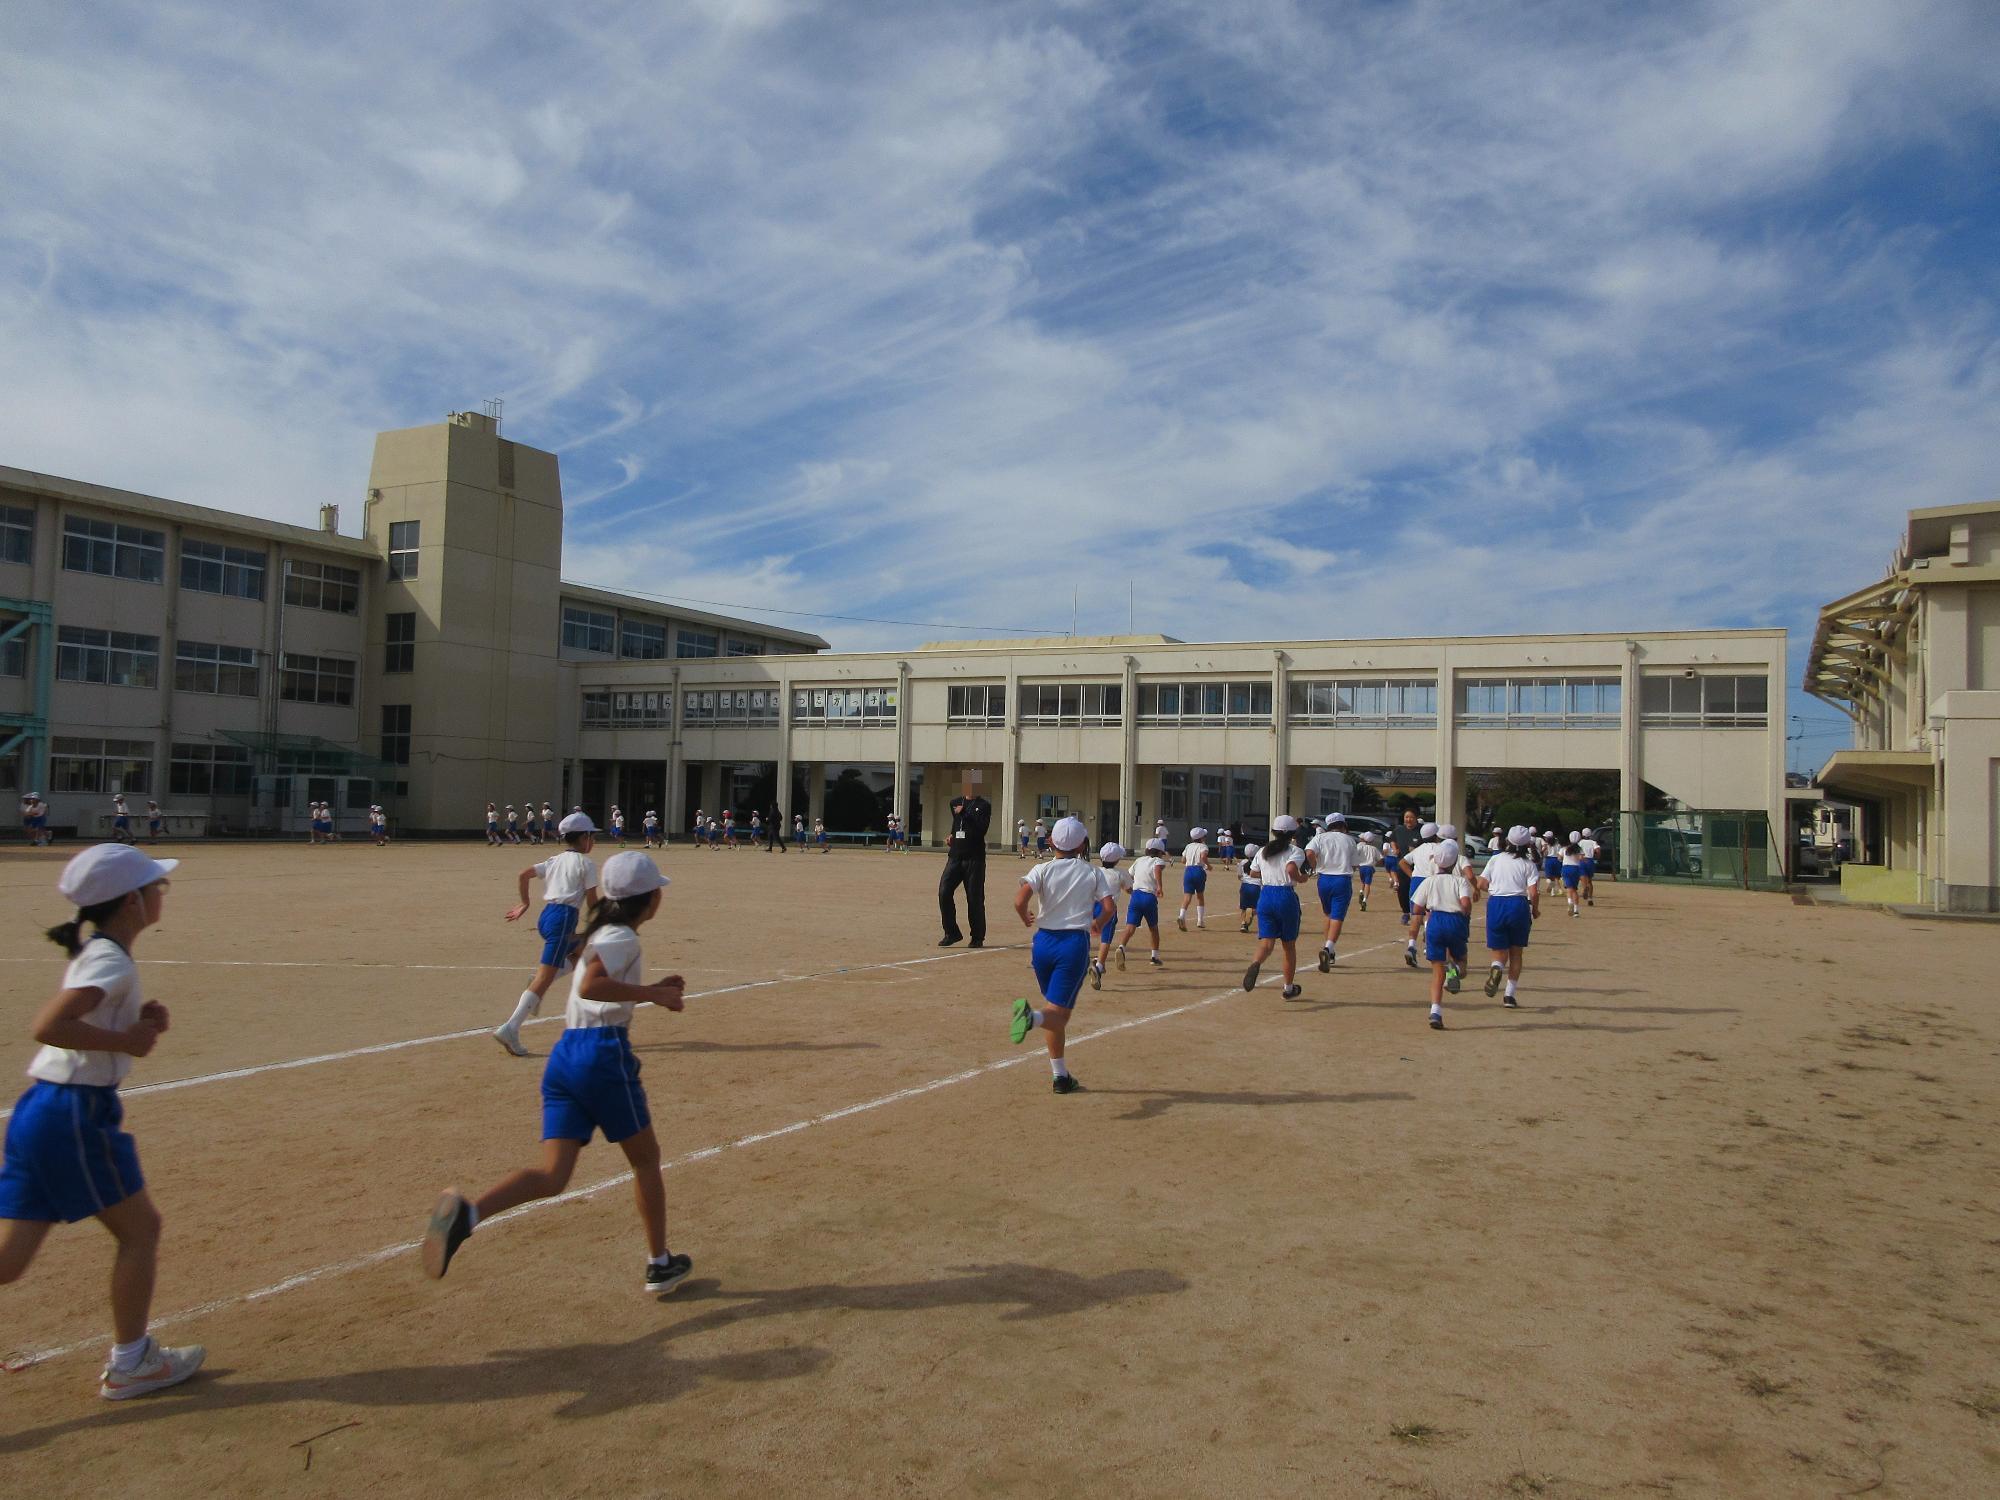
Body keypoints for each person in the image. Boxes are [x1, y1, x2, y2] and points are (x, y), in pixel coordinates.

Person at [425, 850, 691, 1293]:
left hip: (565, 1056)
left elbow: (598, 979)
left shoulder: (602, 932)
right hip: (602, 1055)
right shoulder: (623, 937)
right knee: (646, 1160)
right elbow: (591, 986)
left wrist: (651, 989)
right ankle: (660, 1264)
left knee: (553, 1175)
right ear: (650, 899)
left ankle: (468, 1215)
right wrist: (653, 995)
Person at [0, 843, 205, 1399]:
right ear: (132, 902)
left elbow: (82, 1018)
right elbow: (48, 1025)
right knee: (141, 1231)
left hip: (43, 1110)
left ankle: (133, 1360)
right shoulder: (109, 959)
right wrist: (127, 1040)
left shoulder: (101, 953)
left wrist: (134, 1020)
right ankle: (131, 1362)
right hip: (74, 1115)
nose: (162, 894)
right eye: (156, 886)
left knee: (9, 1262)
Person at [1008, 817, 1111, 1095]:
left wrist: (1025, 916)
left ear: (1051, 842)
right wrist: (1099, 924)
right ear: (1082, 845)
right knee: (1056, 1016)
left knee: (1053, 1010)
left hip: (1042, 943)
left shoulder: (1041, 868)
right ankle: (1030, 1018)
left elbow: (1019, 900)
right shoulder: (1092, 872)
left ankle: (1060, 1076)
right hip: (1072, 945)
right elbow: (1108, 907)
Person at [492, 812, 600, 1057]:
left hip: (547, 917)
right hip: (563, 920)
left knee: (585, 951)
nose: (593, 841)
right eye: (592, 837)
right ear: (584, 837)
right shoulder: (586, 864)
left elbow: (524, 874)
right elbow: (593, 903)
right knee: (545, 976)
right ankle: (511, 1028)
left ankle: (541, 980)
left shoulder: (555, 860)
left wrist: (525, 903)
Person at [1243, 815, 1309, 998]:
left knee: (1266, 943)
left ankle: (1256, 963)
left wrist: (1268, 873)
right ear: (1293, 833)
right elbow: (1291, 869)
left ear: (1273, 832)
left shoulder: (1263, 851)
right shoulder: (1295, 851)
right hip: (1285, 895)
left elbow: (1253, 872)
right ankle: (1288, 988)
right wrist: (1301, 878)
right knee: (1288, 946)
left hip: (1265, 896)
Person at [1412, 840, 1475, 1030]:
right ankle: (1455, 970)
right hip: (1455, 921)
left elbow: (1417, 908)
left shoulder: (1429, 881)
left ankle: (1436, 1012)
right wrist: (1465, 912)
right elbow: (1465, 904)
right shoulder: (1460, 881)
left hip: (1435, 922)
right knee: (1462, 961)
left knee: (1437, 971)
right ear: (1455, 863)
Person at [1478, 826, 1540, 1008]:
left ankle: (1497, 967)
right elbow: (1533, 893)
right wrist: (1535, 910)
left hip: (1497, 903)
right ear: (1527, 844)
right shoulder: (1528, 864)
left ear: (1507, 841)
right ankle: (1509, 995)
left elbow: (1481, 883)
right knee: (1516, 952)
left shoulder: (1496, 859)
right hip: (1518, 904)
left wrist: (1494, 889)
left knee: (1498, 950)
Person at [937, 787, 992, 946]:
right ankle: (951, 933)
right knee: (944, 892)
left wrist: (965, 813)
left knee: (974, 898)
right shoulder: (955, 803)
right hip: (955, 856)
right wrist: (952, 834)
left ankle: (977, 937)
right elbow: (957, 824)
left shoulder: (983, 805)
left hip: (974, 858)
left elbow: (981, 829)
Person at [1303, 812, 1358, 971]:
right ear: (1343, 825)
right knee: (1337, 916)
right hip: (1342, 879)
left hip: (1324, 879)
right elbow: (1355, 864)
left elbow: (1309, 852)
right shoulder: (1349, 840)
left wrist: (1315, 865)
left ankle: (1330, 949)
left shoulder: (1320, 838)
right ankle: (1328, 947)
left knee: (1328, 914)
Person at [1112, 837, 1168, 969]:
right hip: (1149, 897)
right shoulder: (1158, 861)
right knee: (1153, 928)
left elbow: (1130, 875)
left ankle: (1121, 947)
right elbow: (1157, 869)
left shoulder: (1139, 860)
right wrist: (1159, 886)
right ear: (1159, 852)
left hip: (1136, 896)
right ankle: (1154, 956)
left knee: (1130, 927)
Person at [1089, 842, 1132, 989]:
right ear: (1117, 859)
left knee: (1085, 932)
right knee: (1106, 939)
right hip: (1108, 907)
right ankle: (1099, 966)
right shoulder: (1120, 873)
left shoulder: (1095, 871)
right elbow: (1129, 889)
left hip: (1091, 905)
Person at [1401, 822, 1443, 969]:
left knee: (1416, 915)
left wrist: (1412, 875)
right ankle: (1428, 944)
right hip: (1433, 881)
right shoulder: (1440, 848)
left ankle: (1411, 946)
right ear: (1436, 835)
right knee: (1431, 914)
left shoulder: (1418, 850)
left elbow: (1403, 862)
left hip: (1417, 881)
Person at [1177, 826, 1209, 931]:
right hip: (1199, 870)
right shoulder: (1203, 846)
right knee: (1200, 896)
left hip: (1188, 871)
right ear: (1202, 838)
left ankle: (1182, 915)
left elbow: (1183, 860)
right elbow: (1203, 857)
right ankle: (1200, 920)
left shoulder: (1188, 846)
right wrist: (1209, 865)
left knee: (1187, 897)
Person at [1235, 840, 1263, 932]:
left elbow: (1239, 876)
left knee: (1243, 908)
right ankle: (1251, 912)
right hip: (1256, 887)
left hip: (1245, 886)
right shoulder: (1259, 863)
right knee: (1257, 907)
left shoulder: (1242, 862)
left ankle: (1244, 924)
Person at [1560, 832, 1585, 917]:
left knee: (1568, 888)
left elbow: (1559, 857)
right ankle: (1576, 910)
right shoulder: (1579, 849)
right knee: (1574, 889)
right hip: (1575, 869)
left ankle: (1570, 902)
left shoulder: (1565, 848)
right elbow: (1581, 858)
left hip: (1566, 868)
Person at [1355, 830, 1379, 911]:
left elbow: (1355, 855)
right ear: (1372, 840)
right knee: (1367, 884)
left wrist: (1357, 864)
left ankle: (1361, 891)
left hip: (1361, 867)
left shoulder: (1360, 847)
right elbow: (1381, 859)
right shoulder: (1374, 849)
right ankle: (1364, 900)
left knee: (1363, 881)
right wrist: (1375, 863)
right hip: (1369, 867)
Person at [1578, 826, 1601, 906]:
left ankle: (1585, 888)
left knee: (1582, 877)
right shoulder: (1593, 842)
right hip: (1590, 861)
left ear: (1582, 834)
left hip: (1582, 860)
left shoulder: (1580, 842)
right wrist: (1597, 857)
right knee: (1590, 881)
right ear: (1590, 834)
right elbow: (1598, 850)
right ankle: (1590, 898)